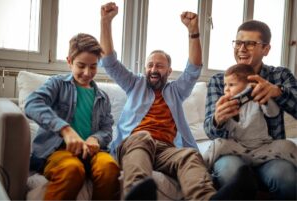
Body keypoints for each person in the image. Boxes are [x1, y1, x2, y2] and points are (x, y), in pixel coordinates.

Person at [100, 2, 257, 200]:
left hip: (167, 149)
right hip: (136, 144)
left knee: (189, 155)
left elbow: (193, 68)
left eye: (160, 65)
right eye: (150, 65)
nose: (154, 69)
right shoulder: (133, 84)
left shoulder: (176, 90)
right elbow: (109, 62)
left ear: (168, 70)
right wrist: (105, 21)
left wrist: (193, 31)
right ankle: (136, 195)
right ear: (145, 69)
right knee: (143, 137)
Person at [204, 20, 297, 200]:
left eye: (250, 43)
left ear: (266, 49)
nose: (242, 48)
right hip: (233, 151)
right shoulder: (220, 81)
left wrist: (278, 92)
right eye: (238, 43)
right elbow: (210, 131)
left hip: (268, 152)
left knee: (287, 178)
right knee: (231, 175)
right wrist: (217, 119)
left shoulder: (280, 75)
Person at [24, 33, 120, 200]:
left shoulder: (102, 97)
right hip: (58, 151)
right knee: (72, 170)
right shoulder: (57, 84)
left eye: (93, 67)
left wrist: (96, 139)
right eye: (81, 65)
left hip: (92, 153)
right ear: (69, 61)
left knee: (110, 167)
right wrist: (65, 130)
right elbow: (32, 104)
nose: (87, 72)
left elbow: (106, 128)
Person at [203, 63, 297, 169]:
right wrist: (224, 119)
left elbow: (273, 113)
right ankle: (201, 169)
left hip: (263, 146)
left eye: (231, 85)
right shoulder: (228, 105)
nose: (226, 89)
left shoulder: (258, 96)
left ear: (249, 84)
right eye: (225, 85)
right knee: (218, 144)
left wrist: (265, 101)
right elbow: (228, 130)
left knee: (288, 145)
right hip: (239, 147)